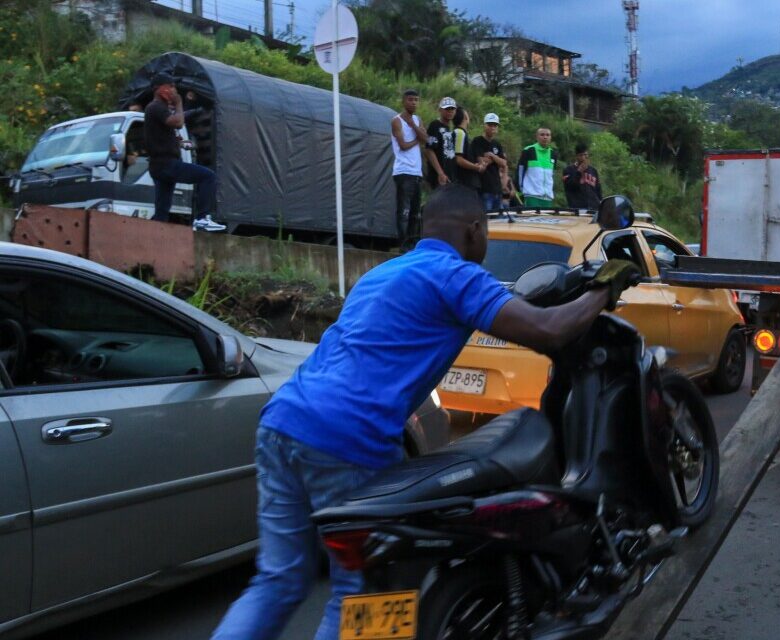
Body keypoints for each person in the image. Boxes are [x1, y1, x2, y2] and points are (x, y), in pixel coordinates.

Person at [210, 184, 639, 640]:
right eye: (487, 233)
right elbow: (549, 332)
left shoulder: (385, 271)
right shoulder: (457, 276)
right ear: (475, 230)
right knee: (364, 592)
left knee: (279, 579)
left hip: (282, 422)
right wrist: (603, 288)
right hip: (347, 439)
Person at [143, 72, 224, 231]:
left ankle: (154, 235)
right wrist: (179, 103)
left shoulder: (158, 109)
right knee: (208, 176)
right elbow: (178, 122)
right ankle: (201, 219)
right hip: (166, 164)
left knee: (162, 209)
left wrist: (178, 143)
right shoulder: (156, 106)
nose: (174, 90)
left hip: (159, 166)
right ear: (160, 89)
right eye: (171, 86)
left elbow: (163, 134)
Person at [391, 89, 427, 248]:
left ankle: (412, 243)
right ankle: (402, 244)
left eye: (416, 99)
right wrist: (417, 140)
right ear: (404, 101)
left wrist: (413, 125)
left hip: (416, 172)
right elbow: (403, 145)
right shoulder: (396, 120)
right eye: (410, 99)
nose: (413, 102)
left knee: (415, 212)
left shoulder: (417, 120)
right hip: (403, 171)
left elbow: (426, 139)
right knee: (403, 211)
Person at [471, 112, 510, 211]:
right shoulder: (477, 141)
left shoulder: (497, 144)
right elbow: (481, 162)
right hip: (484, 187)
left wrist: (492, 156)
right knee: (486, 218)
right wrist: (496, 160)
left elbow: (504, 163)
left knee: (498, 220)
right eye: (490, 124)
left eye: (495, 125)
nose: (492, 127)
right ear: (484, 125)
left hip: (497, 188)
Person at [452, 107, 490, 193]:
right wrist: (476, 167)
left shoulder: (461, 133)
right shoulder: (460, 133)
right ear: (465, 117)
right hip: (464, 182)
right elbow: (458, 159)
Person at [518, 127, 558, 208]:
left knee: (546, 220)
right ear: (536, 137)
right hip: (532, 196)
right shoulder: (528, 150)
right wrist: (521, 190)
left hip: (547, 197)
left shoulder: (553, 153)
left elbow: (552, 174)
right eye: (542, 135)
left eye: (548, 135)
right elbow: (520, 171)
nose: (545, 137)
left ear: (550, 137)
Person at [424, 97, 458, 189]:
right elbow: (428, 150)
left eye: (452, 109)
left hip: (450, 176)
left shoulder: (450, 129)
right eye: (447, 108)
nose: (450, 111)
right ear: (440, 110)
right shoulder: (434, 125)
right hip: (438, 177)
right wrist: (440, 173)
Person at [563, 142, 602, 210]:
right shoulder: (568, 170)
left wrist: (600, 203)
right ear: (577, 156)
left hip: (594, 207)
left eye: (586, 155)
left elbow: (598, 190)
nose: (584, 157)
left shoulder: (593, 171)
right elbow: (570, 187)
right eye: (581, 155)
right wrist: (579, 172)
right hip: (577, 208)